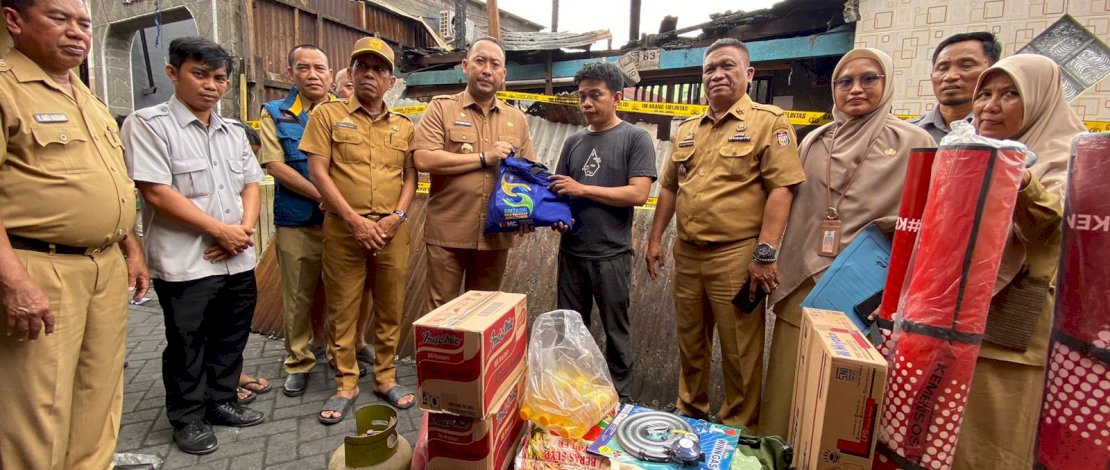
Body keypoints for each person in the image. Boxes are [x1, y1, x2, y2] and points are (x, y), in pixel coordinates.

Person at [0, 0, 150, 467]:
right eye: (59, 18)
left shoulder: (86, 97)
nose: (77, 32)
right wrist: (14, 282)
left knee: (98, 394)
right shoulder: (7, 90)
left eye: (84, 22)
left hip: (105, 266)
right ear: (14, 20)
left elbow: (108, 181)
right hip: (39, 268)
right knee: (39, 407)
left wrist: (131, 247)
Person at [760, 48, 936, 438]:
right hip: (803, 283)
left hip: (866, 293)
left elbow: (927, 221)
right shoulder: (814, 141)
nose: (855, 89)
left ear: (887, 84)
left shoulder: (914, 142)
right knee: (790, 386)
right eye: (845, 81)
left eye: (869, 79)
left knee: (849, 399)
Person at [645, 38, 805, 430]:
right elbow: (668, 187)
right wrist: (654, 239)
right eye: (710, 68)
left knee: (739, 350)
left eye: (728, 66)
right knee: (690, 342)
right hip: (688, 254)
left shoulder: (770, 122)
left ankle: (739, 428)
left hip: (737, 256)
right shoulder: (686, 130)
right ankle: (690, 413)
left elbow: (781, 189)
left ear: (748, 74)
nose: (717, 74)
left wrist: (765, 253)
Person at [123, 36, 267, 455]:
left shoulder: (232, 131)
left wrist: (242, 229)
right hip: (187, 262)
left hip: (236, 257)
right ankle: (187, 417)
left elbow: (251, 184)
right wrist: (218, 231)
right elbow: (156, 192)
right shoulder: (149, 125)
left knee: (231, 335)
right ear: (173, 73)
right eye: (199, 74)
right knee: (187, 342)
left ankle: (221, 400)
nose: (212, 86)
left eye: (219, 78)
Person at [952, 53, 1086, 470]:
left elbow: (1053, 225)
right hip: (964, 309)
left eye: (1010, 94)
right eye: (985, 94)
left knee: (998, 435)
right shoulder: (973, 149)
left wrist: (1020, 176)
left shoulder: (1070, 154)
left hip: (1016, 318)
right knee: (955, 432)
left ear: (1040, 99)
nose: (990, 106)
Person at [300, 36, 418, 422]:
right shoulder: (327, 116)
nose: (370, 73)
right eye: (362, 67)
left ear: (390, 80)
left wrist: (396, 217)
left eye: (379, 68)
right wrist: (353, 220)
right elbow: (318, 170)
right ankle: (346, 383)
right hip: (343, 230)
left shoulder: (404, 126)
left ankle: (385, 378)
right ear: (350, 73)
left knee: (389, 309)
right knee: (343, 309)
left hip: (391, 231)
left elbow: (410, 176)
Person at [549, 61, 656, 403]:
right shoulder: (573, 142)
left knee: (616, 332)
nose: (587, 104)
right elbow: (560, 192)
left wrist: (583, 190)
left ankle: (619, 398)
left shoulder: (635, 138)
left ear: (617, 97)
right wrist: (556, 216)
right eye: (582, 96)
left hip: (611, 255)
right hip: (572, 254)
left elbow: (638, 193)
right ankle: (573, 396)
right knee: (570, 331)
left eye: (595, 95)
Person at [413, 37, 537, 310]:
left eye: (495, 64)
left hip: (496, 234)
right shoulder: (441, 108)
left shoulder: (517, 119)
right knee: (441, 312)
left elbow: (528, 174)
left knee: (483, 314)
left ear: (503, 74)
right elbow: (423, 158)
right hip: (449, 231)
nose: (486, 70)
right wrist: (483, 158)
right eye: (480, 61)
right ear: (465, 65)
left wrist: (528, 213)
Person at [258, 44, 334, 398]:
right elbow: (275, 166)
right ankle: (299, 362)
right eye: (304, 68)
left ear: (330, 74)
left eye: (320, 68)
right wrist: (322, 195)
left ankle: (337, 352)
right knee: (298, 295)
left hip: (339, 224)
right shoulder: (275, 113)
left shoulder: (342, 112)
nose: (313, 74)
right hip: (298, 220)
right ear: (291, 74)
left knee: (341, 293)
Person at [911, 32, 1001, 142]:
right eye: (943, 68)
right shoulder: (907, 133)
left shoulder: (1002, 132)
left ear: (991, 73)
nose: (950, 76)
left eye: (966, 66)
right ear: (931, 76)